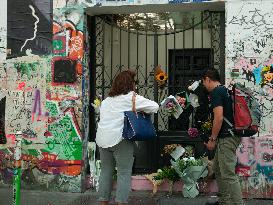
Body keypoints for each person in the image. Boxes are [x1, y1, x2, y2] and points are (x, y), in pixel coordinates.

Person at [96, 70, 159, 205]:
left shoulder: (106, 100)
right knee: (124, 173)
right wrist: (139, 108)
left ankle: (103, 202)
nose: (135, 85)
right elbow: (155, 107)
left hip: (102, 140)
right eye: (134, 82)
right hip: (120, 140)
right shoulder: (131, 98)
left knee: (106, 171)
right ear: (130, 84)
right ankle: (121, 202)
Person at [201, 69, 244, 205]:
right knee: (219, 170)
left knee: (228, 174)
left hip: (227, 138)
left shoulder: (216, 93)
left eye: (204, 82)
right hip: (227, 137)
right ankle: (225, 201)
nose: (204, 86)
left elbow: (218, 118)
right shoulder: (224, 90)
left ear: (208, 79)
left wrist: (212, 139)